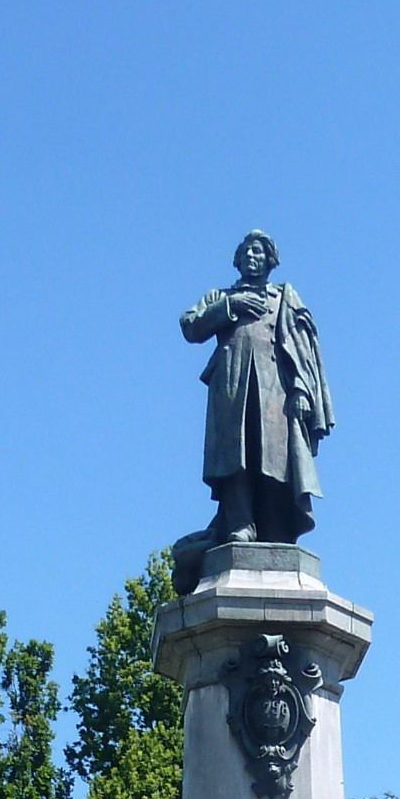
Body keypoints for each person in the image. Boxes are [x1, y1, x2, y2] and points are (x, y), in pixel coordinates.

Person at [172, 232, 333, 594]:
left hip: (276, 390)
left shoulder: (284, 298)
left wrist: (302, 390)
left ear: (270, 260)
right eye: (245, 252)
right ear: (237, 260)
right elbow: (190, 325)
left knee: (275, 461)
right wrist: (230, 308)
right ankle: (239, 525)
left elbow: (304, 352)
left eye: (258, 252)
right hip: (232, 388)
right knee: (237, 458)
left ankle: (275, 528)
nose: (251, 257)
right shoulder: (222, 297)